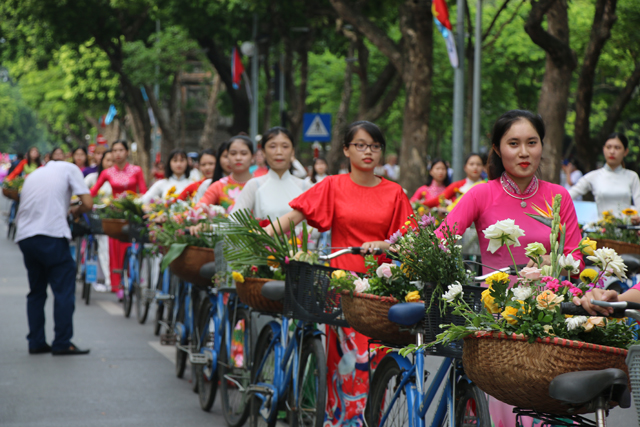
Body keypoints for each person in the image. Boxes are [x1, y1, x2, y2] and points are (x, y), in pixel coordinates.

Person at [436, 109, 584, 427]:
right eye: (513, 143)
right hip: (496, 314)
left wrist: (549, 262)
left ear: (542, 145)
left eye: (531, 142)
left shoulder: (559, 197)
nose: (523, 152)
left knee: (551, 406)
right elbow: (442, 239)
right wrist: (450, 275)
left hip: (549, 314)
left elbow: (576, 259)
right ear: (497, 148)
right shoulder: (481, 194)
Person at [264, 121, 414, 426]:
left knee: (374, 362)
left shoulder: (395, 192)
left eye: (374, 146)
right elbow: (295, 217)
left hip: (379, 291)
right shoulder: (333, 185)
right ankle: (341, 421)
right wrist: (260, 240)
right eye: (360, 145)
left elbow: (409, 241)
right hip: (341, 287)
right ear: (346, 149)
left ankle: (373, 419)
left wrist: (385, 243)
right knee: (346, 364)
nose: (368, 152)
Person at [15, 157, 93, 355]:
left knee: (36, 291)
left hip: (25, 237)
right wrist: (76, 210)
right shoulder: (70, 169)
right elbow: (88, 203)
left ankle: (36, 341)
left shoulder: (35, 174)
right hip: (51, 234)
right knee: (64, 290)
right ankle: (62, 342)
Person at [90, 141, 147, 296]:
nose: (118, 153)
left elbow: (143, 192)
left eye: (121, 150)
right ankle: (117, 284)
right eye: (114, 150)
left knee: (132, 247)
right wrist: (84, 202)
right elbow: (93, 192)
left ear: (127, 152)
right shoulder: (107, 172)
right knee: (114, 247)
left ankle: (132, 277)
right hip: (115, 215)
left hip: (132, 214)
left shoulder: (136, 170)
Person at [232, 127, 311, 220]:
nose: (279, 152)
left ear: (292, 151)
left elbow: (317, 227)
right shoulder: (255, 185)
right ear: (264, 152)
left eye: (285, 146)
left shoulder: (305, 187)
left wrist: (297, 233)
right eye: (272, 146)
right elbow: (233, 223)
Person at [569, 133, 640, 217]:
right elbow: (568, 196)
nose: (612, 151)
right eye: (608, 147)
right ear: (603, 149)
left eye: (617, 148)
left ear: (625, 151)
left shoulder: (632, 176)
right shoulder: (593, 176)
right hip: (602, 229)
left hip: (626, 228)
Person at [196, 135, 254, 212]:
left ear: (253, 157)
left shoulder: (260, 185)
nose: (238, 158)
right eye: (233, 154)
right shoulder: (218, 186)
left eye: (243, 153)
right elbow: (197, 210)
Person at [84, 150, 114, 292]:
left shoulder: (121, 179)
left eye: (113, 161)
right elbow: (83, 192)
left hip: (114, 218)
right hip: (97, 219)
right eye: (108, 160)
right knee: (103, 245)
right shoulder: (93, 177)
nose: (111, 164)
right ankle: (108, 279)